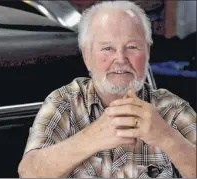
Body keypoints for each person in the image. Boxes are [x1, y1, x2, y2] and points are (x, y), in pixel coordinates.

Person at [18, 1, 196, 178]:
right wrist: (91, 137)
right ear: (87, 56)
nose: (120, 58)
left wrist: (166, 137)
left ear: (147, 52)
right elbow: (29, 172)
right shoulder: (64, 102)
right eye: (107, 48)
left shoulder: (172, 108)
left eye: (132, 47)